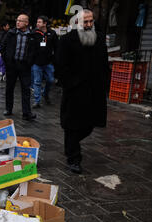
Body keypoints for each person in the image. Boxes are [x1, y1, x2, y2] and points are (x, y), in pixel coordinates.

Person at [56, 9, 109, 174]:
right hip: (75, 92)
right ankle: (73, 158)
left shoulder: (99, 38)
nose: (88, 25)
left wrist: (105, 84)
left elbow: (104, 63)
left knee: (89, 125)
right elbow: (59, 65)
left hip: (94, 91)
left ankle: (70, 144)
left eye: (91, 21)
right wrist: (71, 83)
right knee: (72, 126)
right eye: (85, 22)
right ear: (77, 22)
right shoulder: (67, 40)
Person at [0, 13, 37, 121]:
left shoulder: (32, 35)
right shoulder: (11, 33)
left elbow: (35, 51)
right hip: (12, 65)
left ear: (27, 23)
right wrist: (7, 60)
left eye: (21, 20)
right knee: (9, 88)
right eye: (17, 20)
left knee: (26, 89)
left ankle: (26, 112)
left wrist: (30, 61)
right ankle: (8, 109)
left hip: (25, 66)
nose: (18, 22)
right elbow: (2, 46)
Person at [31, 16, 58, 108]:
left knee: (50, 80)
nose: (37, 24)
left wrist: (55, 59)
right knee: (37, 82)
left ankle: (45, 93)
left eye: (39, 22)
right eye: (37, 22)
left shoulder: (52, 33)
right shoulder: (34, 33)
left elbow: (56, 47)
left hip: (48, 62)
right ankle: (37, 100)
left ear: (45, 23)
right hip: (36, 62)